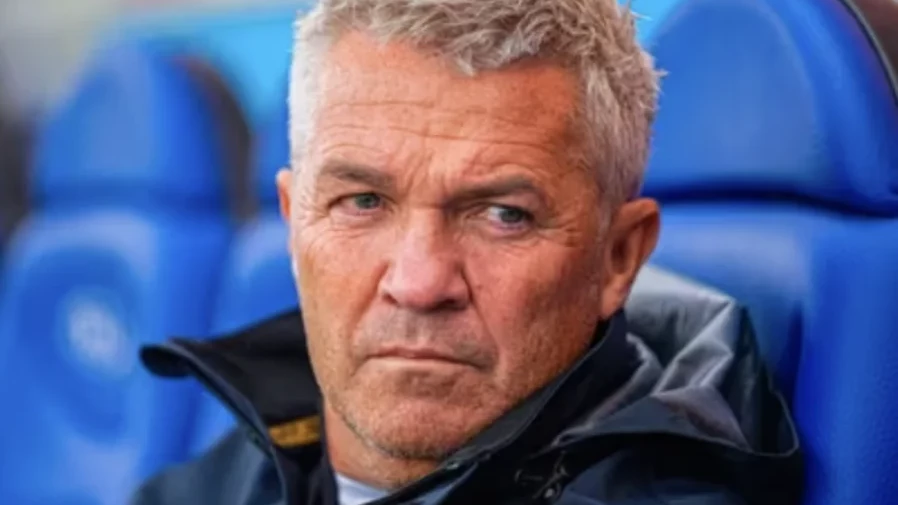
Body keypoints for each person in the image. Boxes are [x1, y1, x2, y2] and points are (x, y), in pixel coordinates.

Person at [134, 0, 802, 503]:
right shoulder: (206, 484)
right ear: (292, 223)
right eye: (363, 201)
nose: (419, 283)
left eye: (505, 215)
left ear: (618, 257)